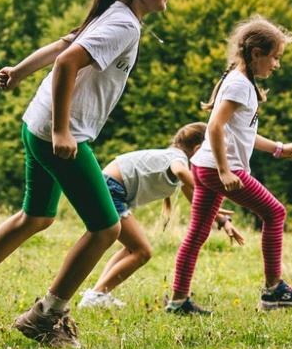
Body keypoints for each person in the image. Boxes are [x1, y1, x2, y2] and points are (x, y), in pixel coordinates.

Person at [0, 0, 193, 349]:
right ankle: (47, 315)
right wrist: (61, 131)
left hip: (36, 125)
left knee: (36, 216)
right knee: (106, 228)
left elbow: (63, 44)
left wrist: (20, 71)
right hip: (57, 135)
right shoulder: (123, 23)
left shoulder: (115, 14)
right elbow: (68, 61)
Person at [165, 18, 292, 315]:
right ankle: (274, 290)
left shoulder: (239, 80)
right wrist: (224, 170)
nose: (277, 65)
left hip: (204, 166)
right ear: (256, 53)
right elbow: (215, 127)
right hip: (219, 170)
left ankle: (179, 301)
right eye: (275, 57)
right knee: (275, 212)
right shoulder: (239, 84)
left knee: (197, 233)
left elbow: (243, 133)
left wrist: (279, 148)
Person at [78, 123, 240, 308]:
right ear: (197, 150)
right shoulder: (177, 158)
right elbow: (181, 172)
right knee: (142, 251)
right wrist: (207, 189)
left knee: (132, 248)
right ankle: (97, 295)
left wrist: (222, 221)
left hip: (108, 187)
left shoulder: (172, 156)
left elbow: (195, 200)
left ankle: (98, 293)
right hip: (112, 188)